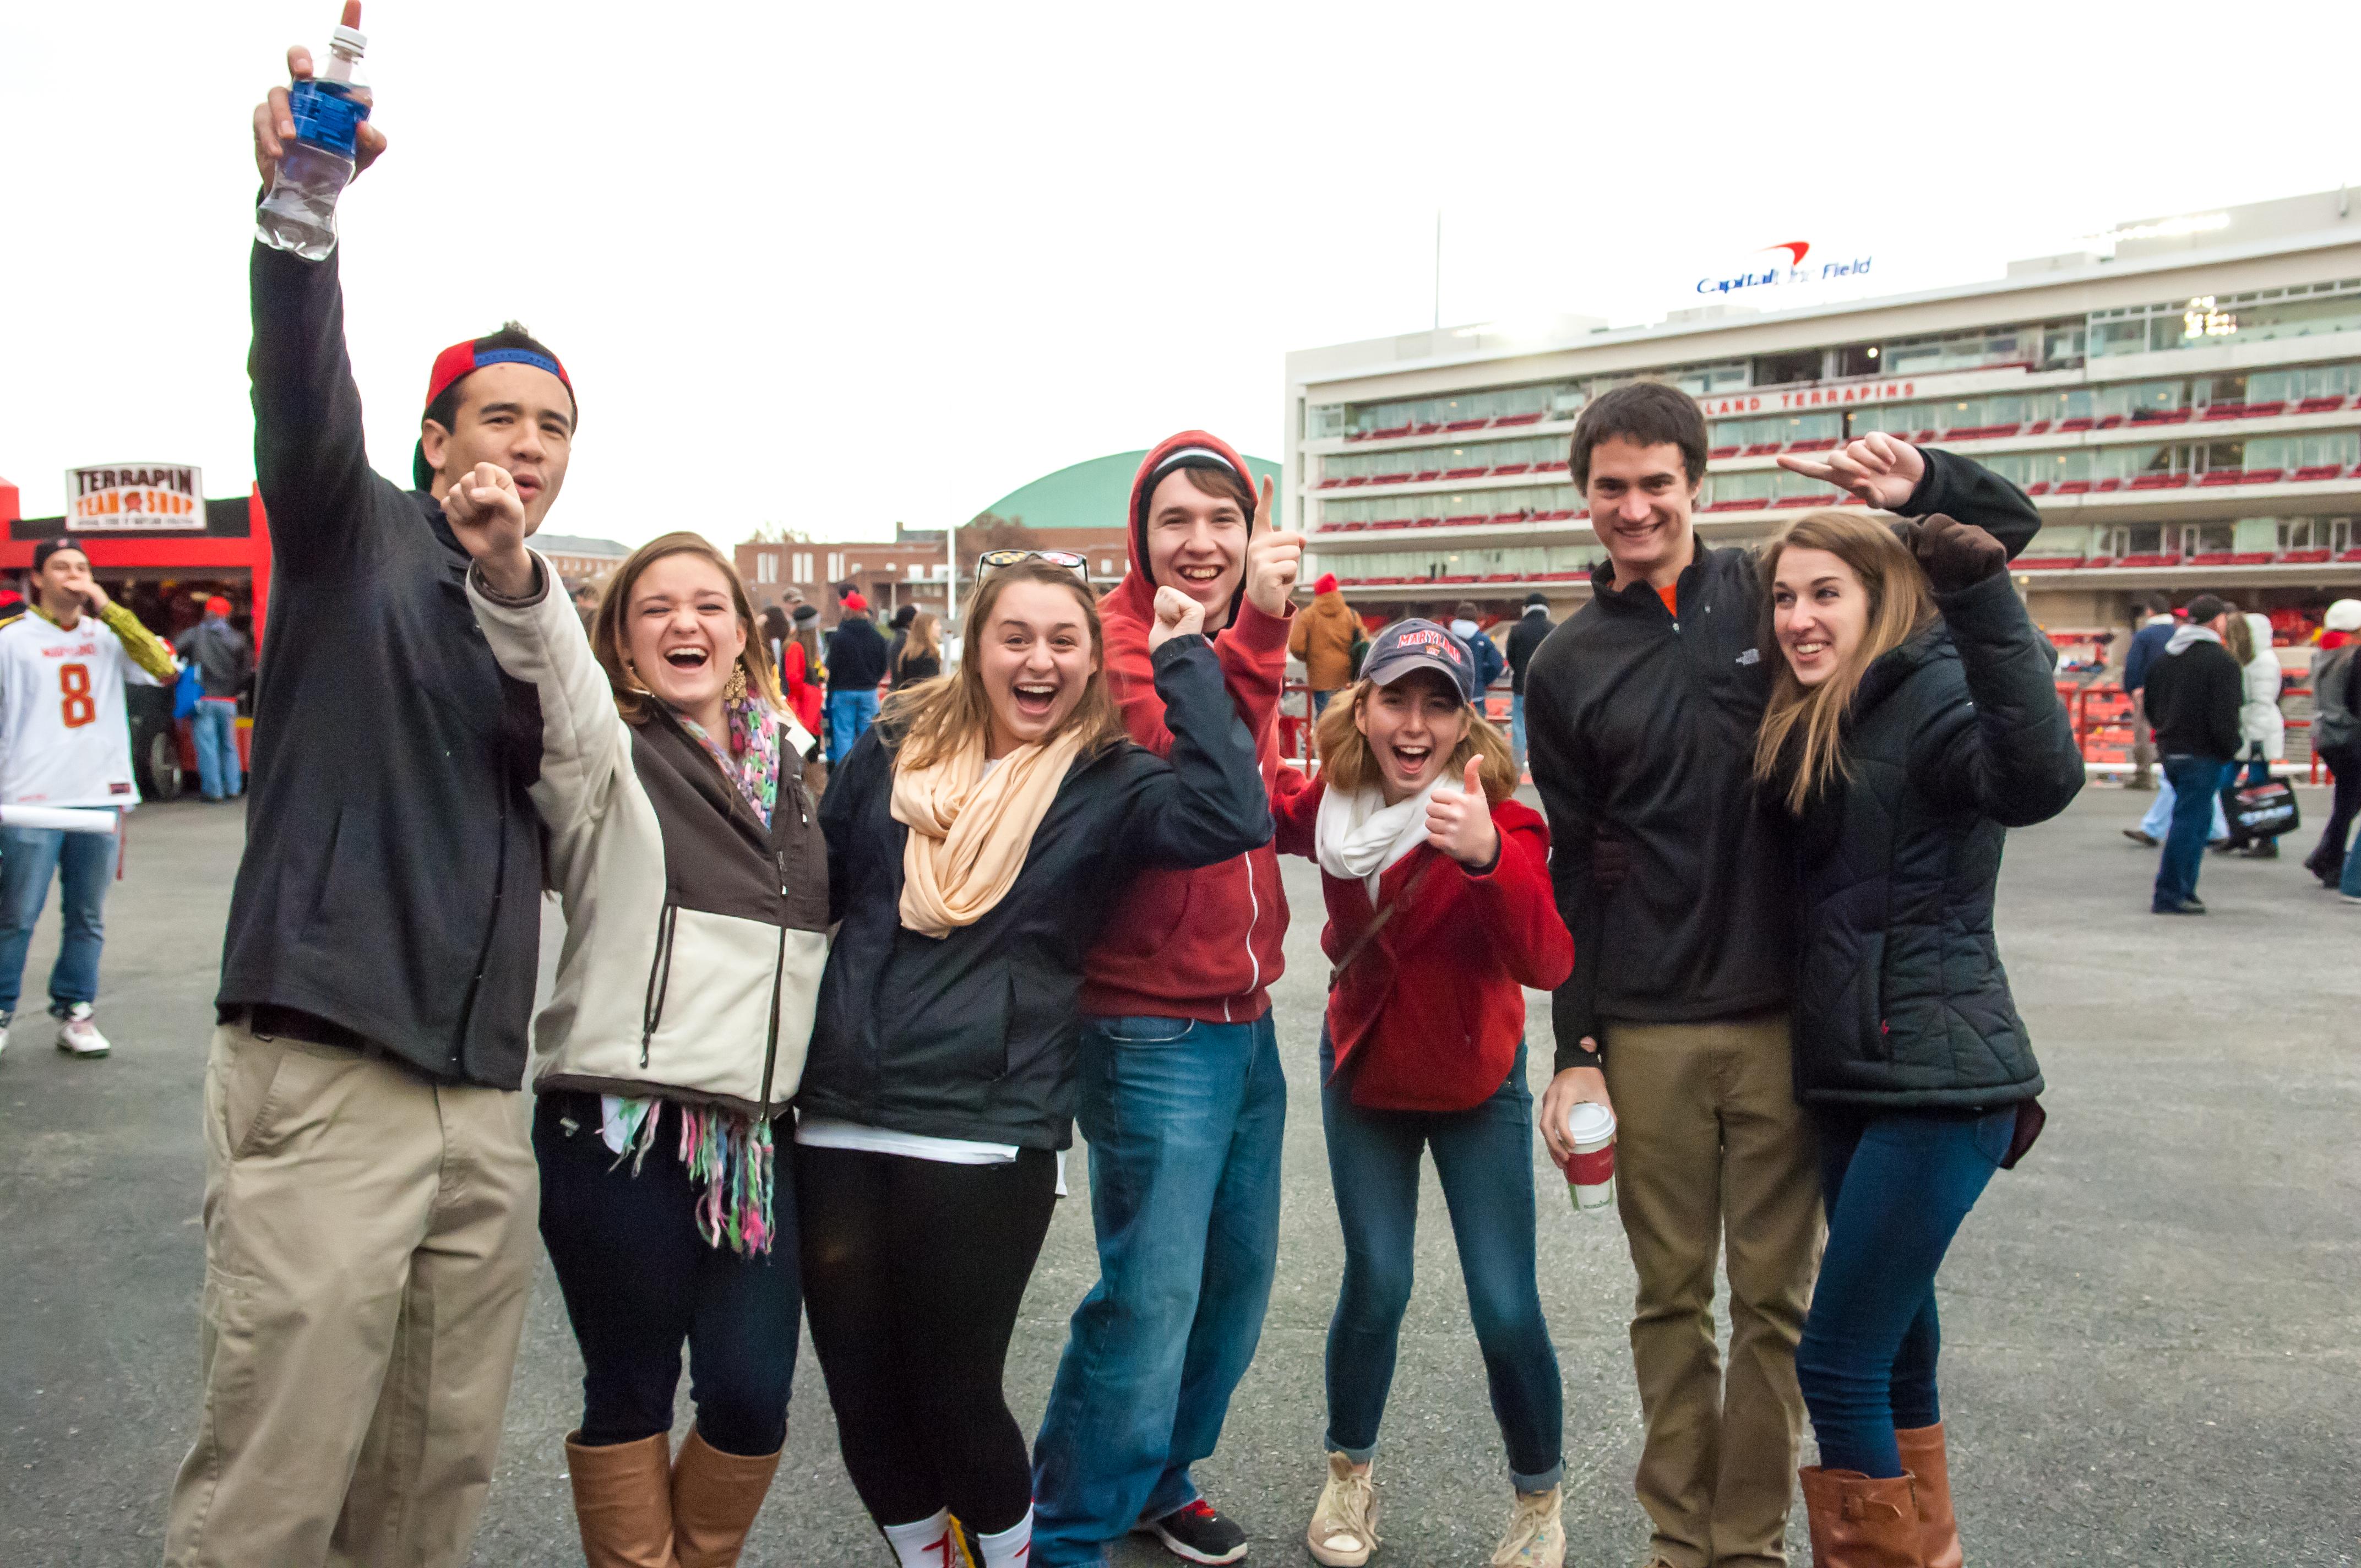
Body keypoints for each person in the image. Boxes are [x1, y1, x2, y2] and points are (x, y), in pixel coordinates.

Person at [164, 51, 573, 1567]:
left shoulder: (543, 614)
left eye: (554, 428)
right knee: (272, 1495)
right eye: (500, 417)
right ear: (434, 438)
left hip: (482, 1102)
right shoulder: (354, 534)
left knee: (427, 1495)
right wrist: (299, 216)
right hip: (330, 1074)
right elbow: (299, 386)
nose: (527, 447)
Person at [1525, 382, 2041, 1568]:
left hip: (1783, 1020)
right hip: (1645, 1020)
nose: (1634, 504)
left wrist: (1926, 486)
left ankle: (1748, 1540)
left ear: (1694, 484)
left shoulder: (1778, 588)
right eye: (1610, 485)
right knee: (1667, 1304)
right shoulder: (1562, 661)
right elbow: (1571, 858)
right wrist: (1571, 1042)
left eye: (1656, 481)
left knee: (1775, 1308)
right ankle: (1676, 1536)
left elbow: (1993, 540)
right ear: (1582, 494)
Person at [795, 558, 1270, 1568]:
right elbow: (817, 888)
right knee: (861, 1395)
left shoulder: (1109, 779)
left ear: (1094, 661)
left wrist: (1183, 651)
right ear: (977, 647)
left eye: (1064, 638)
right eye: (1016, 635)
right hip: (837, 1106)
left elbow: (1232, 812)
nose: (1039, 658)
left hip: (983, 1120)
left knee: (953, 1392)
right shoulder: (889, 750)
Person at [454, 511, 829, 1568]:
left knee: (753, 1397)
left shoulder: (799, 774)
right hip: (615, 1127)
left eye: (708, 604)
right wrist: (510, 569)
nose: (684, 622)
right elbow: (547, 664)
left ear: (745, 635)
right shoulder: (601, 758)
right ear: (620, 642)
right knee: (628, 1390)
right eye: (655, 607)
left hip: (754, 1144)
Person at [1753, 508, 2079, 1567]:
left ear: (1880, 595)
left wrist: (1980, 588)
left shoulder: (1933, 692)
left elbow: (2037, 777)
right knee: (1894, 1357)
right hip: (1864, 1079)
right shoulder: (1831, 711)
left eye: (1824, 593)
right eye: (1784, 596)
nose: (1798, 618)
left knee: (1839, 1360)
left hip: (1936, 1086)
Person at [1032, 433, 1305, 1568]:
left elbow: (1252, 784)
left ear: (1249, 529)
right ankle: (1068, 1526)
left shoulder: (1223, 635)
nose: (1200, 541)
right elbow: (1188, 755)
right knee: (1147, 1294)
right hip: (1148, 1019)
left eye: (1221, 519)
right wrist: (1254, 635)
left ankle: (1160, 1476)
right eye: (1175, 519)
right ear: (1139, 536)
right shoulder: (1120, 641)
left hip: (1246, 1017)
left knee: (1234, 1284)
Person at [1271, 620, 1575, 1568]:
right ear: (1360, 707)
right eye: (1394, 698)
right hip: (1363, 1068)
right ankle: (1348, 1473)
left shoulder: (1498, 812)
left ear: (1465, 720)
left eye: (1436, 704)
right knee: (1378, 1280)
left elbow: (1548, 958)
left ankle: (1537, 1498)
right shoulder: (1331, 805)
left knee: (1503, 1303)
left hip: (1475, 1074)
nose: (1413, 723)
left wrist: (1486, 854)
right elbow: (1236, 786)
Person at [0, 537, 179, 1063]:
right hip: (28, 795)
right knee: (16, 913)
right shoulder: (11, 639)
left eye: (82, 567)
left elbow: (164, 670)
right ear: (38, 579)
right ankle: (3, 1009)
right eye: (62, 567)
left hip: (99, 795)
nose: (74, 576)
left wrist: (108, 606)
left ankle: (76, 1010)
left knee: (87, 916)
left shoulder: (109, 634)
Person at [2145, 593, 2245, 915]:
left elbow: (2151, 706)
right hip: (2203, 754)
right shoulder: (2223, 662)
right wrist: (2229, 749)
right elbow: (2225, 717)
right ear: (2217, 621)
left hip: (2171, 749)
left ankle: (2185, 888)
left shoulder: (2166, 659)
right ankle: (2172, 893)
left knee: (2192, 821)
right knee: (2191, 824)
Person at [2303, 600, 2361, 889]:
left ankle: (2326, 854)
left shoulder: (2323, 653)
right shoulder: (2354, 656)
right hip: (2351, 736)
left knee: (2347, 801)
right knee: (2348, 804)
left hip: (2327, 735)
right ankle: (2330, 859)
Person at [173, 594, 253, 801]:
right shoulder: (237, 639)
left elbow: (173, 651)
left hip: (202, 699)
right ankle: (234, 789)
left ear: (207, 612)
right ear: (227, 615)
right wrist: (234, 690)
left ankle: (214, 791)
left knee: (207, 747)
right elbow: (246, 672)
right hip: (228, 701)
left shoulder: (194, 635)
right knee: (229, 745)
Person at [2227, 611, 2286, 858]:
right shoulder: (2249, 660)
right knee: (2230, 783)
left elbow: (2262, 702)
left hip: (2257, 733)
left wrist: (2257, 739)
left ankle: (2267, 839)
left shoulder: (2263, 661)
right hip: (2246, 730)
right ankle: (2240, 833)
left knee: (2260, 788)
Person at [825, 591, 889, 763]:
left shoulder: (838, 638)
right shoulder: (877, 638)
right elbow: (883, 665)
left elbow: (832, 666)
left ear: (848, 611)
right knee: (869, 736)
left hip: (843, 692)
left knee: (843, 736)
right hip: (868, 691)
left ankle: (843, 775)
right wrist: (873, 680)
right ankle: (866, 772)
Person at [2123, 592, 2176, 793]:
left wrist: (2133, 687)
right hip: (2175, 690)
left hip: (2147, 690)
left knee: (2144, 733)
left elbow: (2134, 665)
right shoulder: (2178, 633)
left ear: (2150, 611)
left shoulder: (2144, 635)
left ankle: (2144, 775)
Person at [1290, 571, 1360, 717]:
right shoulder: (1351, 615)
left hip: (1321, 679)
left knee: (1326, 720)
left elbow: (1296, 647)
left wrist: (1313, 658)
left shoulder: (1308, 616)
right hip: (1346, 679)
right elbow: (1363, 642)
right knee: (1344, 720)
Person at [1504, 592, 1554, 778]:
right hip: (1548, 689)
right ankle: (1544, 769)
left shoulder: (1517, 630)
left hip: (1521, 687)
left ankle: (1518, 768)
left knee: (1519, 727)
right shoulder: (1554, 629)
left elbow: (1511, 658)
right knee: (1545, 728)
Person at [1450, 601, 1506, 705]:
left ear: (1457, 617)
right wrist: (1483, 681)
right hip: (1476, 694)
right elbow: (1497, 665)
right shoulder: (1483, 640)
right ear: (1476, 618)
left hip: (1452, 694)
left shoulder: (1446, 639)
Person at [891, 609, 943, 688]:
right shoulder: (929, 655)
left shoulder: (908, 653)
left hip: (908, 697)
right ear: (927, 627)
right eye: (937, 624)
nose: (940, 627)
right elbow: (930, 685)